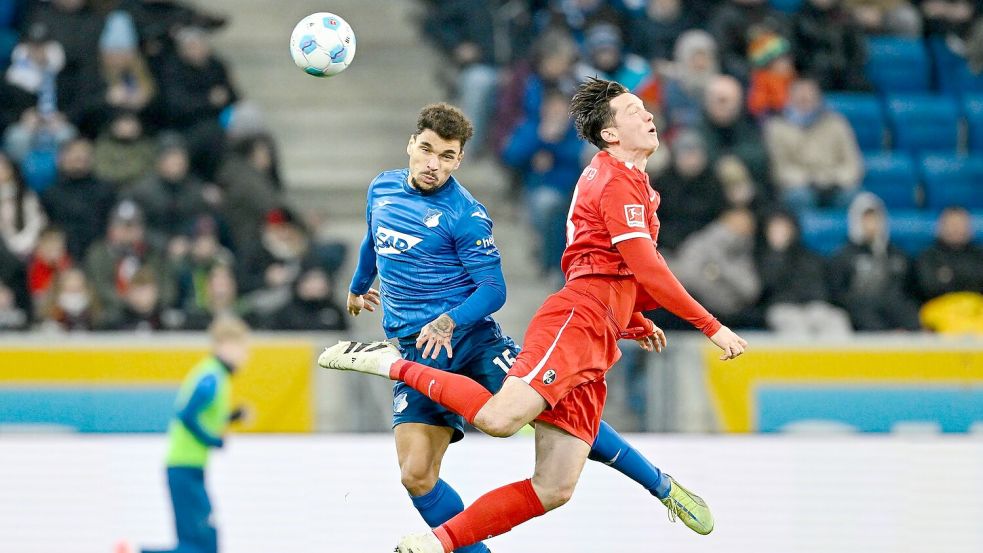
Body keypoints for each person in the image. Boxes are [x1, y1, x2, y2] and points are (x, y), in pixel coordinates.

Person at [320, 80, 749, 553]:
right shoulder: (383, 189)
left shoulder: (468, 214)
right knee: (417, 473)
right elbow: (373, 237)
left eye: (446, 156)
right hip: (451, 340)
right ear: (411, 144)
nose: (432, 163)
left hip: (472, 340)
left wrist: (631, 317)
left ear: (459, 159)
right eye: (425, 150)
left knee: (552, 472)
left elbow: (503, 288)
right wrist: (360, 285)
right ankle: (446, 530)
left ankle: (660, 485)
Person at [116, 315, 250, 553]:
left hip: (189, 468)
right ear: (224, 345)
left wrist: (233, 417)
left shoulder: (214, 375)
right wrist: (213, 440)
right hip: (184, 468)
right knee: (201, 546)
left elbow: (205, 416)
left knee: (202, 544)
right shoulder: (212, 378)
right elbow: (186, 414)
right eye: (241, 347)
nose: (245, 355)